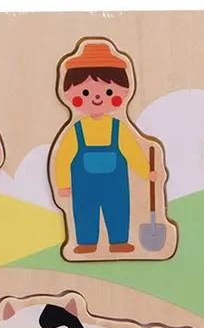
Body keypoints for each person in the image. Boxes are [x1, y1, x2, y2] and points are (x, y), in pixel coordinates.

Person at [54, 42, 156, 254]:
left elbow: (132, 153)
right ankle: (86, 242)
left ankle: (119, 241)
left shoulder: (119, 129)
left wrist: (147, 172)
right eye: (85, 92)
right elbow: (63, 158)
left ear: (124, 92)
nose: (97, 97)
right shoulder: (76, 131)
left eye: (109, 91)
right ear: (69, 94)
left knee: (118, 209)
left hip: (115, 186)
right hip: (83, 186)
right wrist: (63, 184)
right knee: (84, 211)